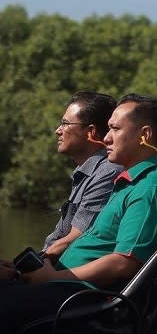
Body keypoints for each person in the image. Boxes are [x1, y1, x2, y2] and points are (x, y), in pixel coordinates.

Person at [0, 94, 157, 334]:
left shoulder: (151, 190)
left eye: (115, 129)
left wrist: (51, 279)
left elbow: (123, 263)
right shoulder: (131, 184)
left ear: (145, 134)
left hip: (84, 302)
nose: (106, 138)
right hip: (70, 291)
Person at [43, 92, 122, 260]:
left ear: (90, 132)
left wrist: (23, 271)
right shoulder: (88, 172)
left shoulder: (108, 172)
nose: (58, 130)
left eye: (65, 124)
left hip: (63, 278)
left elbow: (74, 240)